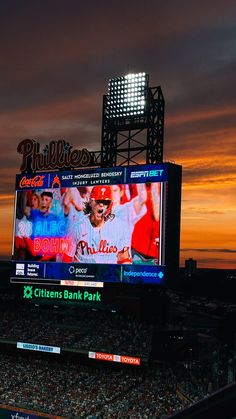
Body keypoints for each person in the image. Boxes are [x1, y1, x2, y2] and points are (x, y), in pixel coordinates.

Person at [62, 185, 132, 264]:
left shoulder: (119, 227)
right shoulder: (77, 227)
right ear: (91, 203)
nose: (101, 205)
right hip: (84, 275)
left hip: (109, 275)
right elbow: (66, 259)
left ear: (109, 205)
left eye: (105, 202)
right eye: (98, 201)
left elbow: (124, 259)